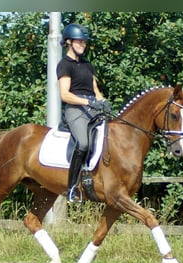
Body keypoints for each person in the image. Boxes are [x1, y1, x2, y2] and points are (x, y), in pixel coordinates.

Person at [56, 23, 111, 202]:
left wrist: (103, 102)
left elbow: (95, 89)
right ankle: (71, 188)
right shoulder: (65, 65)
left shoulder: (87, 65)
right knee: (84, 143)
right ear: (69, 42)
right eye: (79, 42)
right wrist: (88, 102)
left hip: (92, 107)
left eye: (84, 42)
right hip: (74, 109)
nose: (83, 45)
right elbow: (65, 95)